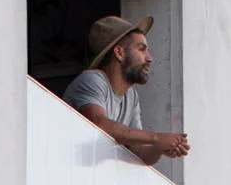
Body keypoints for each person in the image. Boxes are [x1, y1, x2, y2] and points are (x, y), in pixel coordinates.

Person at [62, 15, 189, 166]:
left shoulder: (131, 96)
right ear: (119, 53)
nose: (149, 58)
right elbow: (99, 124)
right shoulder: (92, 80)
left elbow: (139, 153)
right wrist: (156, 138)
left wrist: (159, 149)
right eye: (141, 49)